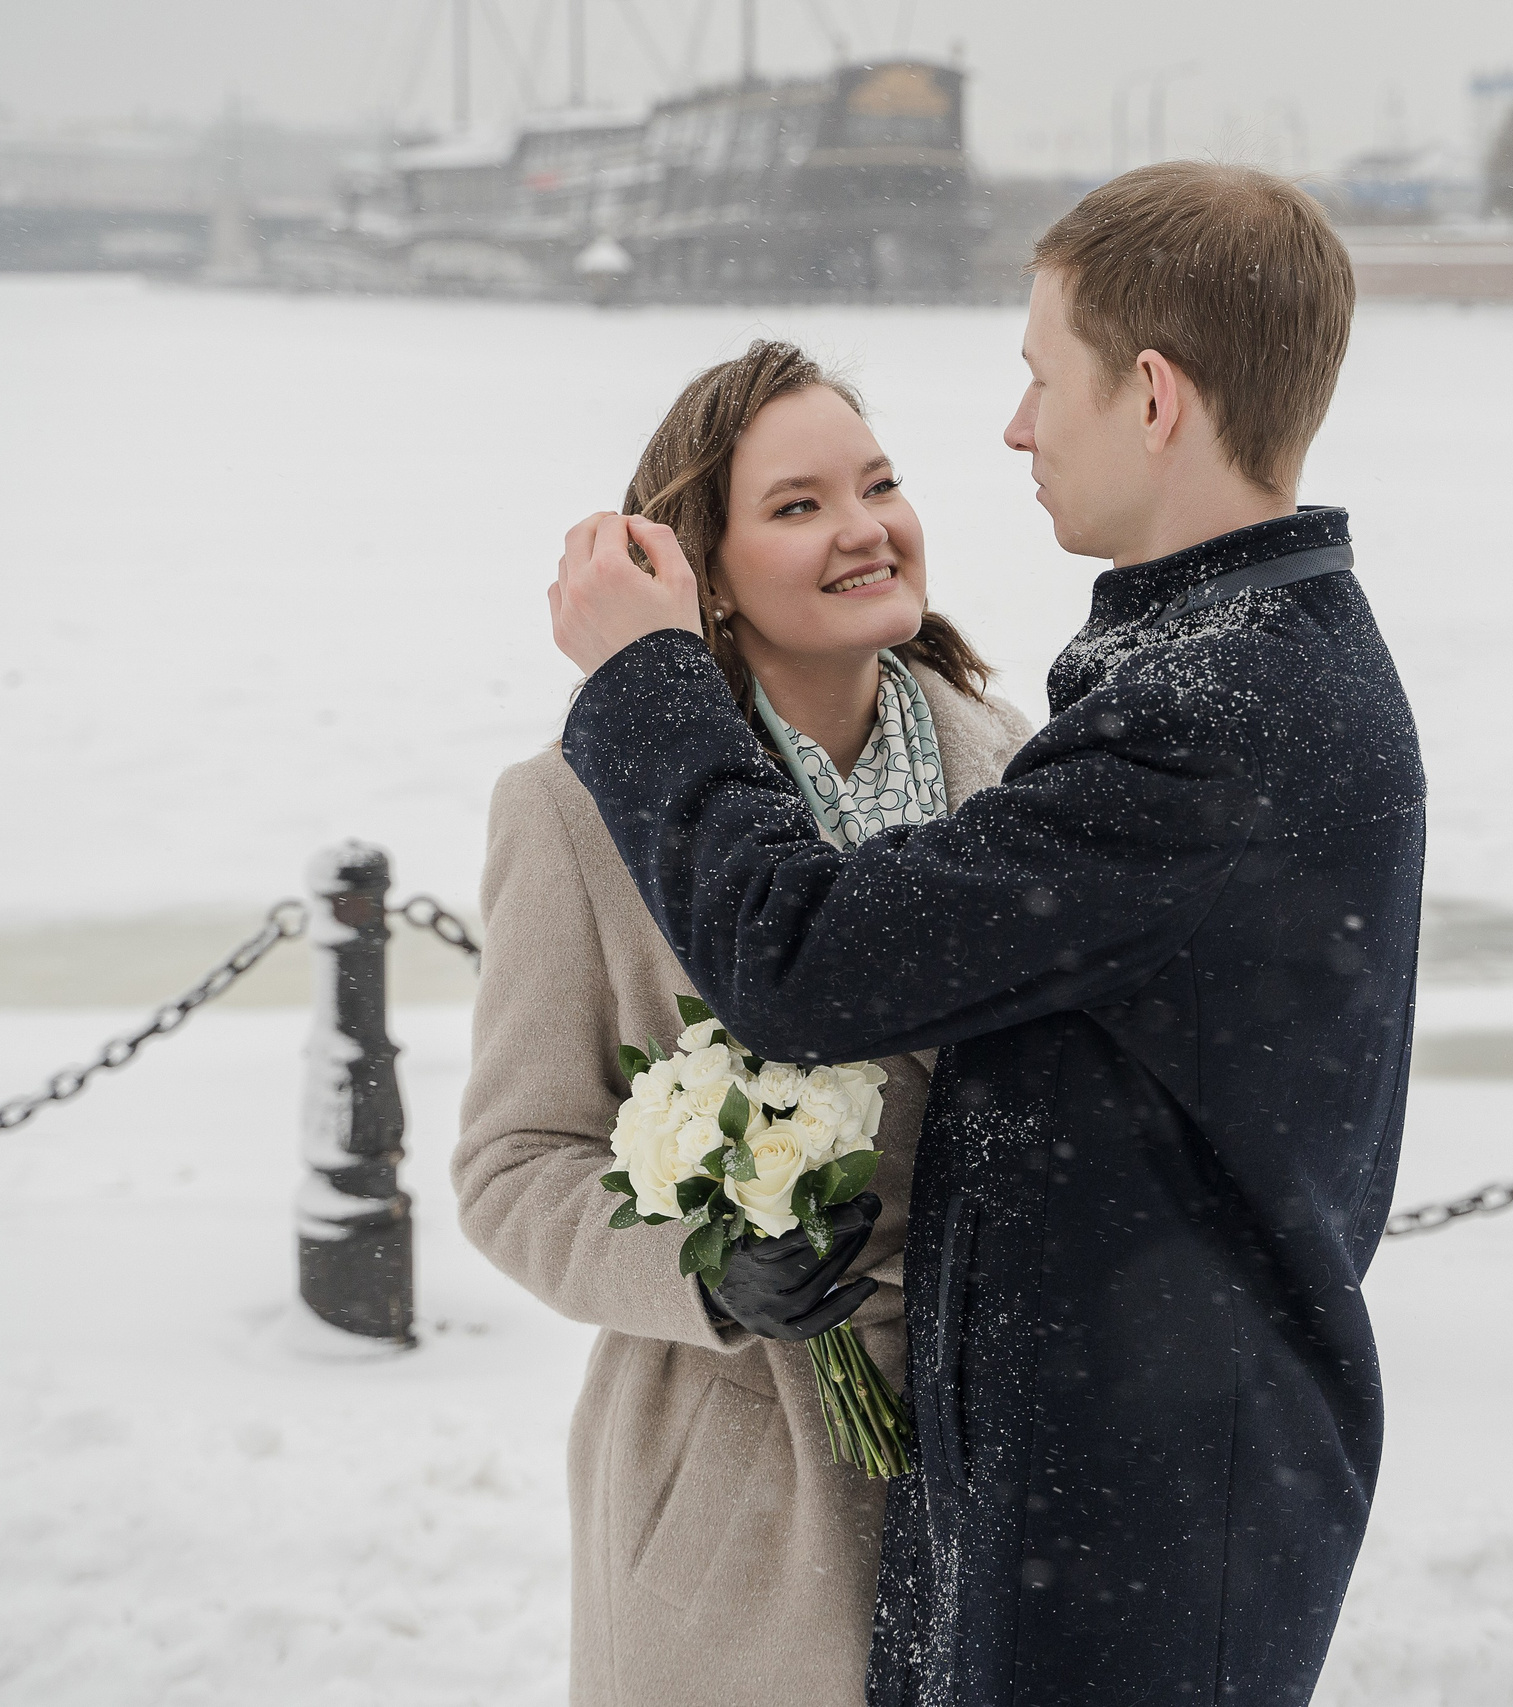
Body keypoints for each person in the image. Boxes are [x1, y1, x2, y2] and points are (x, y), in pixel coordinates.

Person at [548, 162, 1425, 1707]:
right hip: (1104, 1502)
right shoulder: (1221, 676)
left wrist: (641, 674)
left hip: (1137, 1533)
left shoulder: (1194, 731)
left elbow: (797, 962)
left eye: (1040, 376)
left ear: (1150, 395)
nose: (1016, 425)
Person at [453, 341, 1036, 1707]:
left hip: (990, 1444)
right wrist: (706, 1274)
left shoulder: (1014, 764)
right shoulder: (575, 812)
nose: (864, 528)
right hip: (736, 1489)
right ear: (701, 574)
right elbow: (512, 1165)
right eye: (797, 505)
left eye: (878, 482)